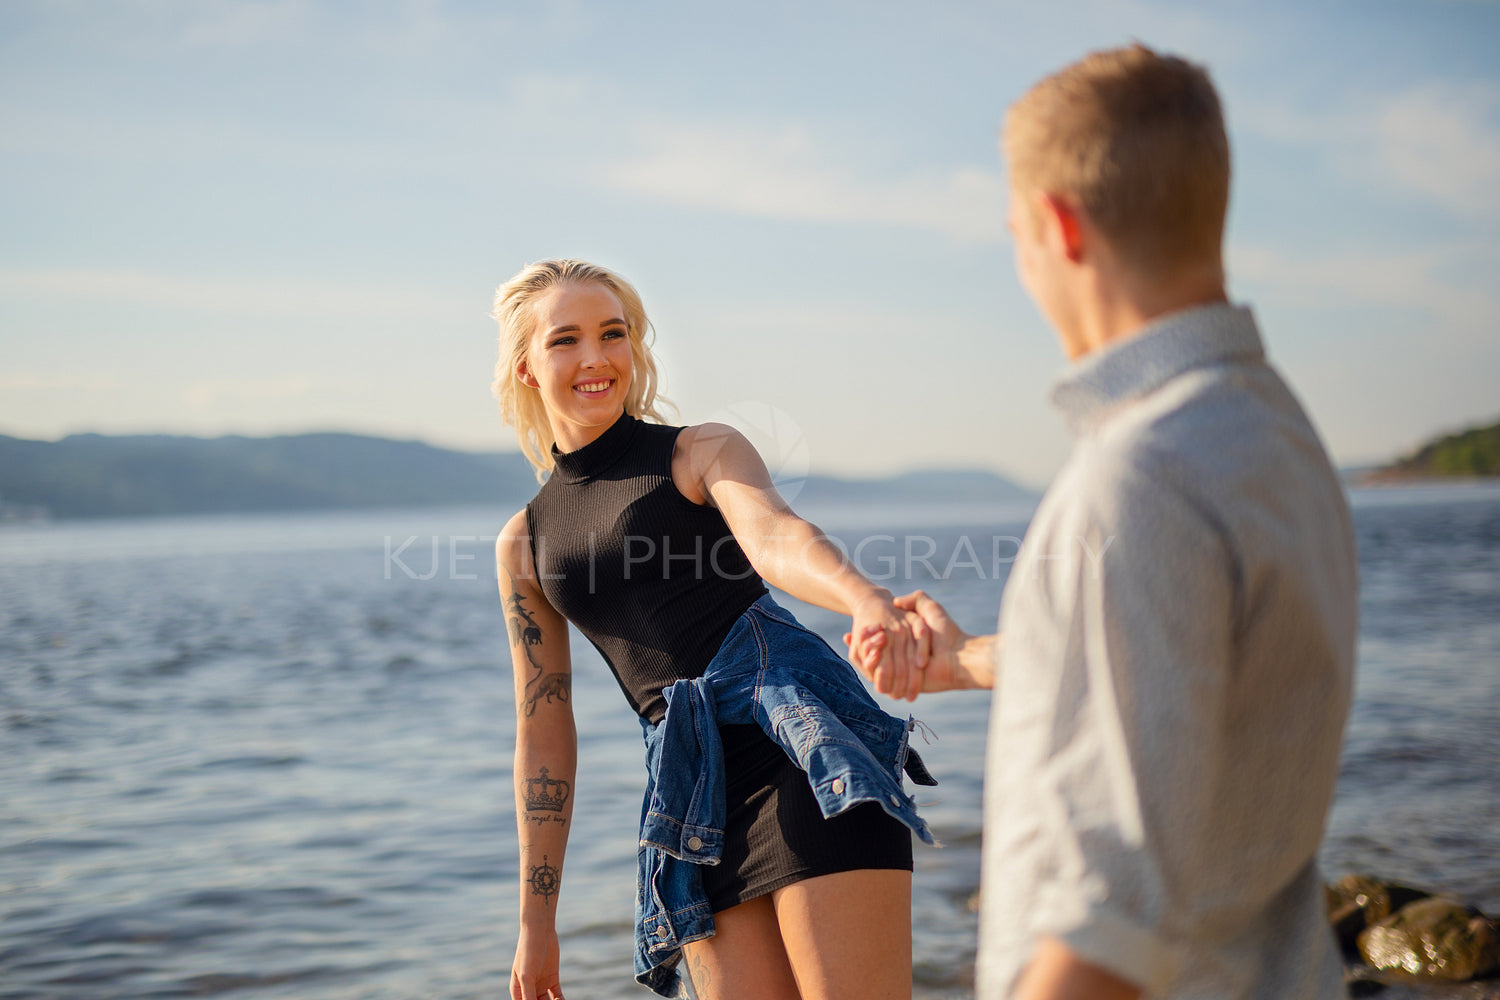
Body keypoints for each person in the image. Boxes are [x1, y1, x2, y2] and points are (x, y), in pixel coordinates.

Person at [854, 43, 1358, 1000]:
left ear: (1057, 224)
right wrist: (967, 663)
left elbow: (1105, 931)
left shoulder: (1141, 479)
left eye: (1014, 233)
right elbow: (1196, 669)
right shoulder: (1277, 435)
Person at [490, 258, 937, 1000]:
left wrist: (862, 597)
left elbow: (776, 535)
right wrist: (537, 921)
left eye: (614, 333)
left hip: (801, 756)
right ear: (528, 368)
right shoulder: (526, 543)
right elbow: (543, 732)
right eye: (566, 340)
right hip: (691, 800)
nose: (597, 358)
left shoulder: (698, 452)